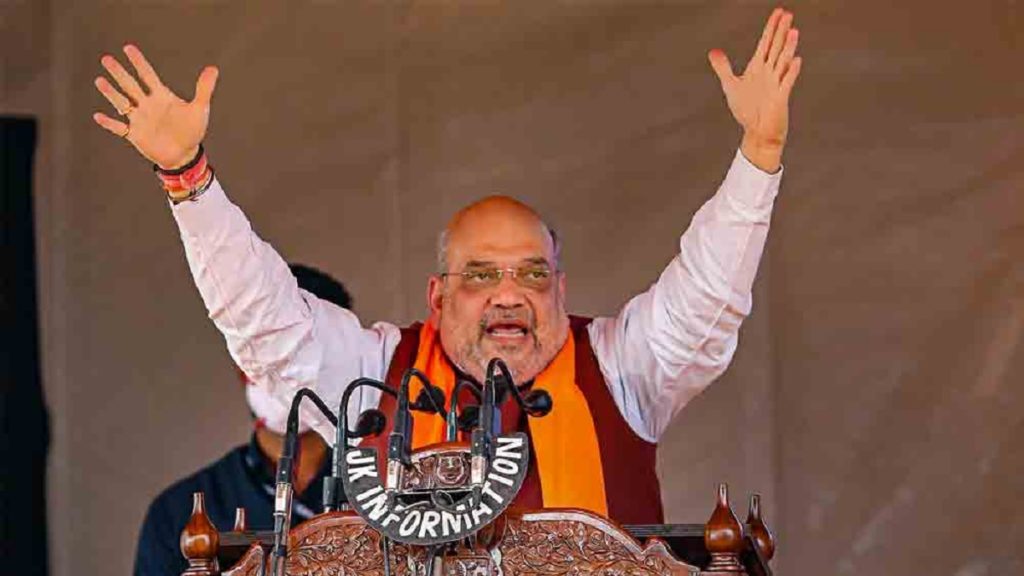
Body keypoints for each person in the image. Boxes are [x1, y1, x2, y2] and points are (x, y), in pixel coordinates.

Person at [95, 8, 802, 525]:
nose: (509, 295)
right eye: (481, 274)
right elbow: (267, 324)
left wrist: (759, 157)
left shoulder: (620, 369)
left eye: (532, 274)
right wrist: (187, 177)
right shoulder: (379, 372)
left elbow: (705, 301)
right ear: (437, 296)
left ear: (561, 290)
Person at [132, 265, 352, 576]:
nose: (286, 372)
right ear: (241, 363)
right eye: (267, 351)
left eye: (306, 352)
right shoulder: (181, 516)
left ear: (344, 362)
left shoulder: (385, 497)